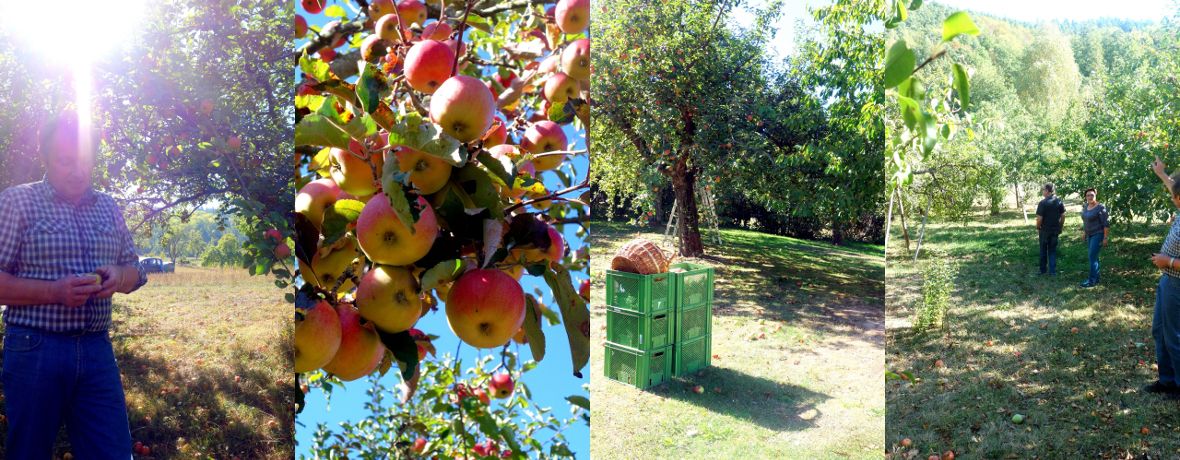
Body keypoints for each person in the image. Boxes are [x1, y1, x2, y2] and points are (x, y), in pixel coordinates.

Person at [0, 109, 147, 457]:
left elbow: (135, 272)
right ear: (46, 159)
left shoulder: (108, 207)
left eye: (83, 160)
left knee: (112, 451)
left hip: (97, 350)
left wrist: (118, 275)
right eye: (65, 161)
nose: (77, 171)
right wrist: (53, 291)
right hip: (34, 347)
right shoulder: (18, 202)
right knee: (28, 452)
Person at [1147, 156, 1180, 399]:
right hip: (1167, 281)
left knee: (1174, 335)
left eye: (1175, 197)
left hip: (1176, 283)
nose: (1172, 199)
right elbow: (1175, 187)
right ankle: (1167, 380)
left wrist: (1167, 261)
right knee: (1159, 330)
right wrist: (1162, 174)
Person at [1079, 188, 1109, 287]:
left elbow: (1106, 224)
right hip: (1089, 235)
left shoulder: (1100, 207)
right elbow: (1085, 221)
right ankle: (1096, 278)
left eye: (1092, 195)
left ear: (1095, 195)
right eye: (1088, 195)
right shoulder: (1086, 206)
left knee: (1092, 257)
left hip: (1098, 234)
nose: (1090, 197)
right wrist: (1084, 232)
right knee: (1094, 257)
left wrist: (1105, 237)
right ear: (1085, 197)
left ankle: (1091, 281)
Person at [1035, 183, 1066, 276]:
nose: (1042, 191)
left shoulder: (1042, 203)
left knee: (1043, 250)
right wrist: (1060, 226)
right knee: (1052, 250)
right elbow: (1063, 215)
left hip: (1044, 230)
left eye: (1043, 189)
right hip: (1055, 230)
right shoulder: (1059, 202)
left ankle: (1043, 270)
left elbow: (1039, 218)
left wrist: (1038, 226)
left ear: (1047, 191)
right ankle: (1052, 271)